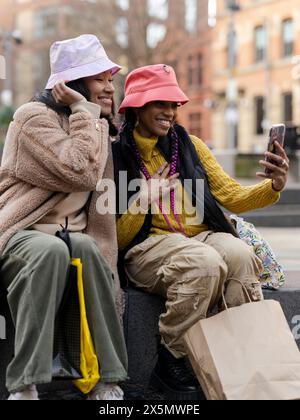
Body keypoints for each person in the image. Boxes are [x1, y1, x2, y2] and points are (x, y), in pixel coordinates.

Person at [112, 64, 289, 399]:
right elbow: (118, 236)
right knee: (204, 262)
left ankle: (241, 359)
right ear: (136, 106)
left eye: (174, 104)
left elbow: (231, 195)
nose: (170, 111)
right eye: (159, 103)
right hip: (148, 246)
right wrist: (143, 201)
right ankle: (171, 361)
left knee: (239, 254)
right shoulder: (117, 153)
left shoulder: (188, 145)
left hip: (199, 236)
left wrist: (272, 186)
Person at [0, 34, 128, 400]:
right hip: (21, 233)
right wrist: (83, 112)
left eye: (110, 79)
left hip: (72, 236)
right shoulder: (31, 118)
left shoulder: (96, 126)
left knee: (89, 250)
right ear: (71, 84)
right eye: (99, 79)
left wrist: (108, 251)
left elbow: (99, 196)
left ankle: (108, 379)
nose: (109, 88)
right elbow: (78, 171)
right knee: (51, 251)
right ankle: (24, 384)